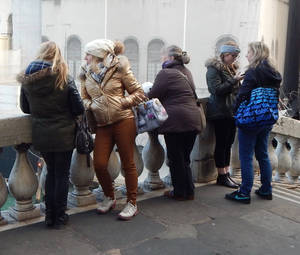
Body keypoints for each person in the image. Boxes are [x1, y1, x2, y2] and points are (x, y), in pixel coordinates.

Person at [18, 41, 84, 228]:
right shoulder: (63, 76)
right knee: (61, 175)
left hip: (42, 134)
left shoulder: (27, 79)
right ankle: (59, 217)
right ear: (57, 55)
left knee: (51, 173)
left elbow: (25, 107)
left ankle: (49, 216)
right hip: (64, 134)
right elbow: (78, 107)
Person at [80, 39, 146, 220]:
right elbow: (83, 97)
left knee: (128, 163)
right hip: (102, 124)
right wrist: (91, 104)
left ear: (98, 55)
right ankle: (110, 197)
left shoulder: (119, 67)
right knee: (99, 163)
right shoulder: (86, 72)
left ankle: (132, 203)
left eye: (88, 54)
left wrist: (122, 102)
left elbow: (139, 93)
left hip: (124, 120)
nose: (85, 57)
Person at [225, 41, 282, 204]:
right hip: (267, 118)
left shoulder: (253, 72)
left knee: (246, 156)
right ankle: (266, 189)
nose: (246, 55)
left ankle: (244, 192)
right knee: (263, 154)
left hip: (251, 120)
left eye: (249, 52)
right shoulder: (274, 73)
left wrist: (236, 112)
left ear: (256, 53)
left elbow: (242, 95)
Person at [148, 45, 202, 201]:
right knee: (185, 158)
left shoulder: (165, 73)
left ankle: (179, 192)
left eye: (163, 56)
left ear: (171, 58)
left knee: (176, 158)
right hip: (192, 119)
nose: (161, 59)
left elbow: (153, 95)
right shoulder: (187, 72)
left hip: (176, 121)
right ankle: (189, 191)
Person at [205, 41, 244, 188]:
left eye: (236, 55)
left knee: (228, 143)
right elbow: (216, 90)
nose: (235, 58)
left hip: (231, 112)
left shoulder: (231, 68)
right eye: (233, 55)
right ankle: (221, 175)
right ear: (224, 54)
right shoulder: (213, 69)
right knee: (221, 144)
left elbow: (234, 91)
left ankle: (226, 174)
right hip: (220, 112)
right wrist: (234, 80)